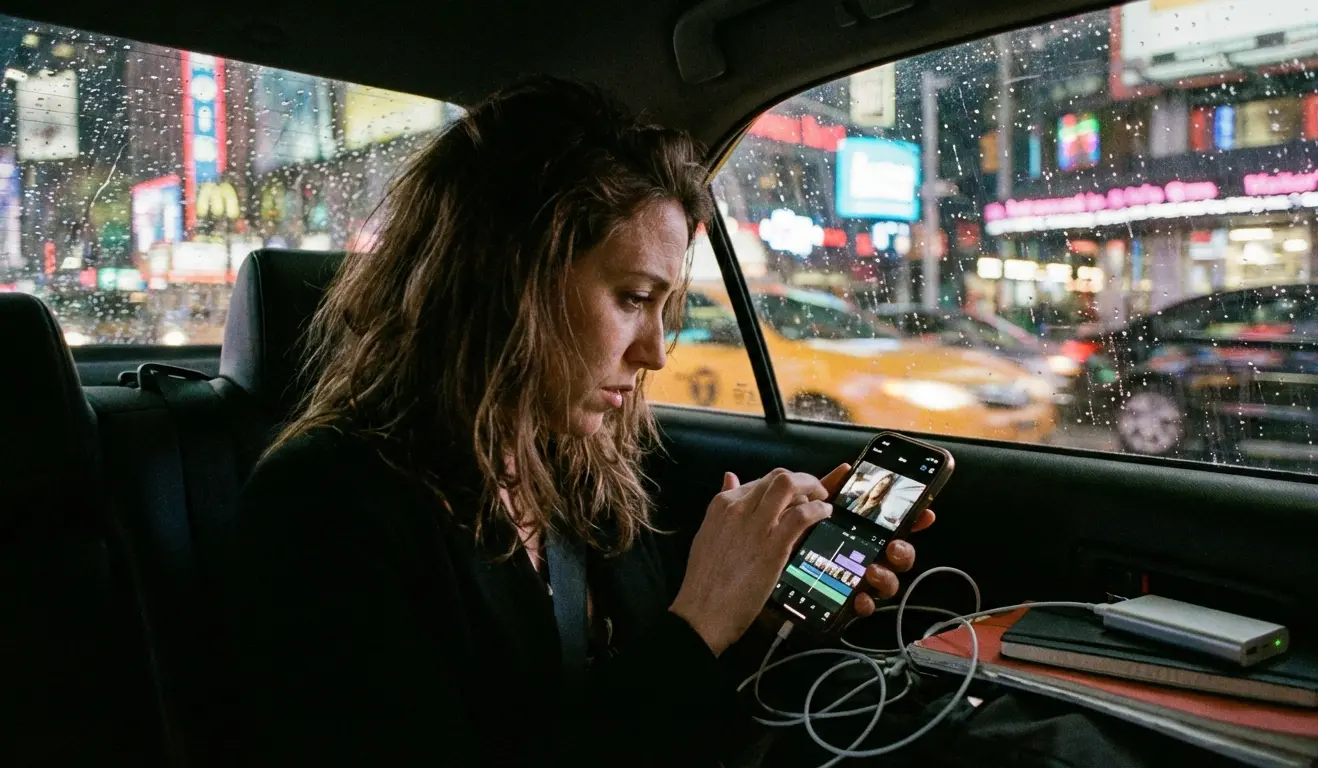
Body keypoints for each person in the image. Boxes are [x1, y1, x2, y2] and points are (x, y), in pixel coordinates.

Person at [225, 77, 936, 767]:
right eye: (632, 297)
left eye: (666, 309)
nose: (656, 351)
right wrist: (698, 623)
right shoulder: (325, 503)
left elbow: (657, 726)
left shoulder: (579, 475)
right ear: (509, 280)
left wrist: (764, 627)